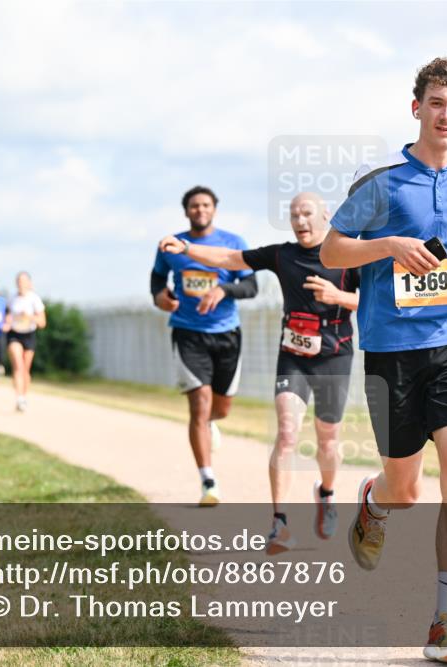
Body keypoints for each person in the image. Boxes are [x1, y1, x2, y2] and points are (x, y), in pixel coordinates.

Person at [320, 56, 447, 665]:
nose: (446, 115)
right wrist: (390, 244)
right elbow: (331, 250)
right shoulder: (382, 184)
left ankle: (444, 624)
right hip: (391, 351)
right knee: (407, 492)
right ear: (417, 108)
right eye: (436, 103)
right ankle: (374, 502)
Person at [160, 191, 359, 551]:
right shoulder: (282, 254)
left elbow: (376, 301)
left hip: (335, 356)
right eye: (294, 215)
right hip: (293, 356)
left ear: (326, 215)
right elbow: (230, 258)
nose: (300, 221)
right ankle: (279, 524)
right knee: (286, 433)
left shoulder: (350, 256)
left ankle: (326, 493)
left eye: (307, 213)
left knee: (327, 438)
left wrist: (339, 297)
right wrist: (186, 249)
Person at [151, 185, 258, 506]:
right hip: (187, 333)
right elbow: (157, 278)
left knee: (220, 408)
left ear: (214, 209)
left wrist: (224, 290)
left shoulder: (233, 244)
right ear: (186, 211)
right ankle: (208, 481)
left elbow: (251, 285)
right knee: (199, 403)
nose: (200, 210)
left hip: (227, 334)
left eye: (206, 205)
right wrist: (159, 296)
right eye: (194, 206)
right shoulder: (171, 245)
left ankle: (211, 423)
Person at [5, 272, 46, 412]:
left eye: (23, 281)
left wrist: (29, 317)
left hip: (29, 335)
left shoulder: (34, 299)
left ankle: (24, 396)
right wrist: (7, 322)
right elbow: (7, 316)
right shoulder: (12, 298)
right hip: (14, 334)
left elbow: (42, 323)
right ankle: (19, 398)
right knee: (18, 364)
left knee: (25, 370)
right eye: (18, 280)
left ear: (29, 283)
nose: (20, 283)